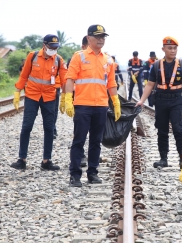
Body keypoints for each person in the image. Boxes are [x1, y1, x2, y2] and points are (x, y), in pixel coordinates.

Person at [64, 24, 121, 187]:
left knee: (96, 141)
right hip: (83, 106)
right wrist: (68, 98)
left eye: (103, 37)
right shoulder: (79, 57)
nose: (101, 40)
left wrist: (115, 102)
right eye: (97, 37)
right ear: (88, 38)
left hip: (101, 106)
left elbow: (111, 83)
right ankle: (75, 175)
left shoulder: (108, 59)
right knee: (79, 141)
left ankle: (92, 173)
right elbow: (70, 79)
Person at [136, 36, 182, 169]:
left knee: (179, 130)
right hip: (161, 100)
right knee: (162, 130)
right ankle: (163, 158)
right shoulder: (156, 65)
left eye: (174, 48)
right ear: (163, 49)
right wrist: (141, 101)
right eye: (170, 48)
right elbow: (150, 85)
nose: (173, 51)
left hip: (176, 100)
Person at [11, 34, 67, 170]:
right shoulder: (33, 56)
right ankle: (21, 160)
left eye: (56, 47)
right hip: (32, 96)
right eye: (51, 47)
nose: (53, 49)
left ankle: (46, 161)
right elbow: (24, 75)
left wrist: (66, 96)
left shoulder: (59, 60)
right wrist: (18, 92)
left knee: (49, 128)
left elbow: (65, 79)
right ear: (44, 45)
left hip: (49, 97)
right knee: (27, 126)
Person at [61, 36, 89, 167]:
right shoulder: (76, 58)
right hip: (79, 99)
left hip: (96, 101)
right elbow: (69, 80)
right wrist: (67, 99)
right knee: (80, 131)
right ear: (83, 46)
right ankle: (81, 155)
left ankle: (93, 156)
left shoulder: (101, 58)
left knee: (95, 132)